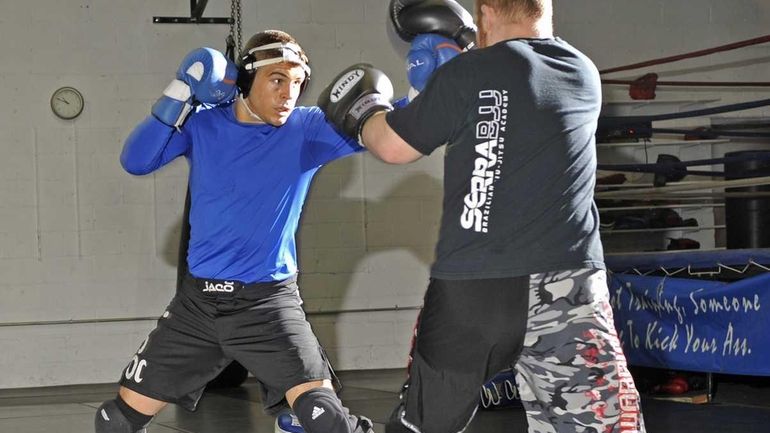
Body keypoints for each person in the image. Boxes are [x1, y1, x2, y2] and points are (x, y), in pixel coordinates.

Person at [318, 0, 647, 432]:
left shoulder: (465, 75)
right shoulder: (582, 72)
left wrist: (365, 110)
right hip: (570, 288)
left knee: (424, 425)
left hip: (474, 289)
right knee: (598, 424)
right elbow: (517, 93)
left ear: (486, 12)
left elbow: (392, 146)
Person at [95, 30, 374, 433]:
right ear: (245, 81)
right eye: (277, 79)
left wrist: (431, 86)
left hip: (267, 306)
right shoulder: (204, 125)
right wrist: (180, 88)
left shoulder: (307, 128)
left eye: (298, 82)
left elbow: (394, 130)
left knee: (326, 420)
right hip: (196, 309)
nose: (288, 94)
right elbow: (136, 161)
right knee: (115, 422)